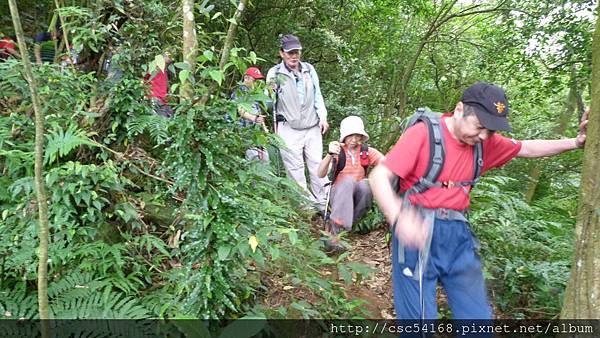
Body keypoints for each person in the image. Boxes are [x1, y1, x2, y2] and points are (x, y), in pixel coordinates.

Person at [369, 82, 588, 321]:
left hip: (459, 235)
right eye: (480, 127)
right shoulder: (424, 134)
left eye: (491, 131)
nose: (484, 136)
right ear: (460, 109)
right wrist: (399, 217)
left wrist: (576, 143)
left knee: (477, 319)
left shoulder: (484, 143)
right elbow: (379, 175)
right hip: (417, 232)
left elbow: (526, 148)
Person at [266, 34, 330, 213]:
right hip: (288, 127)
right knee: (295, 167)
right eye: (290, 53)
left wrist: (323, 117)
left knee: (317, 164)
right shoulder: (275, 73)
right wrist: (270, 92)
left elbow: (318, 95)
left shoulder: (309, 69)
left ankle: (323, 203)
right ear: (282, 53)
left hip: (312, 126)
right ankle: (306, 207)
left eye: (297, 52)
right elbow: (269, 103)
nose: (294, 56)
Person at [317, 116, 384, 250]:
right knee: (347, 180)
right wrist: (329, 154)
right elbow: (320, 173)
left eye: (357, 136)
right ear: (344, 136)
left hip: (356, 196)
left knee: (366, 184)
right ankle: (334, 230)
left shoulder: (366, 152)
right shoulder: (338, 151)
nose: (354, 140)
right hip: (338, 193)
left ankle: (344, 227)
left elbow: (387, 164)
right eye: (350, 136)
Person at [231, 66, 269, 162]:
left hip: (255, 134)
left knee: (264, 158)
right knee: (252, 158)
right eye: (255, 80)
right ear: (246, 78)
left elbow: (258, 112)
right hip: (243, 133)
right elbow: (240, 110)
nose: (257, 83)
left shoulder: (253, 94)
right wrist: (254, 119)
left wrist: (265, 130)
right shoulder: (239, 92)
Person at [144, 53, 173, 117]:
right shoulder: (154, 69)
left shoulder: (164, 71)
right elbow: (145, 82)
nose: (169, 58)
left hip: (164, 101)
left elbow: (167, 86)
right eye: (167, 56)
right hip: (155, 99)